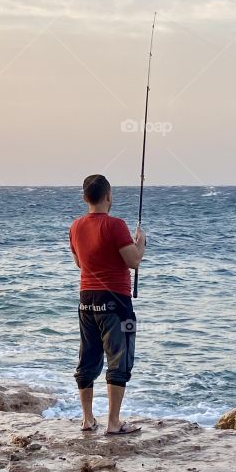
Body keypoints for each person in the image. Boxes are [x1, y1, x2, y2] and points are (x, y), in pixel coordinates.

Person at [69, 173, 146, 435]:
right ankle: (113, 422)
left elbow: (79, 263)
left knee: (88, 358)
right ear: (109, 196)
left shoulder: (75, 226)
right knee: (119, 359)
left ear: (84, 197)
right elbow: (133, 261)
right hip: (116, 302)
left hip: (86, 301)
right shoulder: (115, 225)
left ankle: (87, 419)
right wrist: (141, 243)